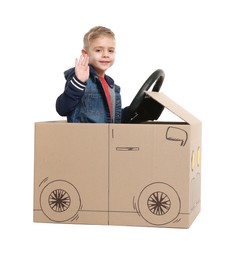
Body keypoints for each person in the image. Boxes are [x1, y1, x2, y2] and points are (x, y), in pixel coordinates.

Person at [56, 26, 129, 123]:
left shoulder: (110, 85)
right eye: (98, 50)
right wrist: (79, 81)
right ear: (85, 54)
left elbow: (111, 119)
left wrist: (136, 111)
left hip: (104, 137)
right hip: (85, 137)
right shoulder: (80, 77)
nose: (105, 55)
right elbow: (62, 108)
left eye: (110, 50)